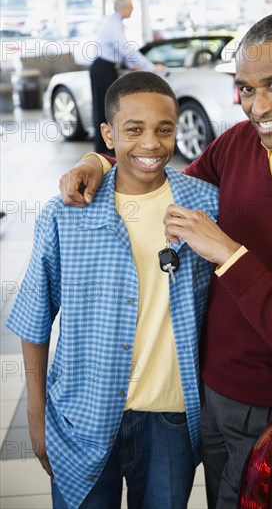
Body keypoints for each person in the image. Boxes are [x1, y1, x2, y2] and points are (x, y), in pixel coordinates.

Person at [59, 13, 272, 508]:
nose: (257, 107)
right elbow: (164, 188)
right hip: (206, 394)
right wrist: (100, 160)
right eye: (245, 89)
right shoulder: (242, 143)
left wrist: (229, 253)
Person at [6, 71, 219, 508]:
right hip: (80, 415)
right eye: (134, 129)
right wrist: (36, 415)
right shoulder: (67, 214)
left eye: (164, 129)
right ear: (108, 133)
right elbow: (33, 319)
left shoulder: (206, 206)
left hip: (171, 419)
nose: (151, 144)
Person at [90, 0, 164, 154]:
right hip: (103, 68)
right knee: (105, 109)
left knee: (106, 108)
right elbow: (125, 48)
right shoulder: (114, 23)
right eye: (131, 6)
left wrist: (133, 65)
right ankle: (104, 151)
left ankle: (105, 149)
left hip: (105, 67)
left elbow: (121, 52)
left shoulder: (114, 22)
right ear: (123, 7)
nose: (133, 9)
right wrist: (149, 66)